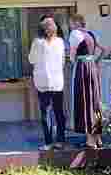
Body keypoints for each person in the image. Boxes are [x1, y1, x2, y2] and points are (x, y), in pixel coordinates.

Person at [29, 17, 67, 151]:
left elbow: (31, 59)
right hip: (57, 82)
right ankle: (60, 141)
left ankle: (48, 143)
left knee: (46, 113)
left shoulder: (37, 42)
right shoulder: (60, 42)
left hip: (43, 82)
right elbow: (63, 61)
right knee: (59, 112)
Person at [69, 14, 106, 149]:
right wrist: (96, 62)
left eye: (71, 23)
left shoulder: (75, 34)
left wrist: (73, 61)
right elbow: (104, 49)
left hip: (82, 68)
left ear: (76, 23)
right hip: (92, 67)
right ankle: (98, 138)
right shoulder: (91, 34)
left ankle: (90, 140)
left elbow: (72, 55)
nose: (70, 26)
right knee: (95, 101)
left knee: (84, 100)